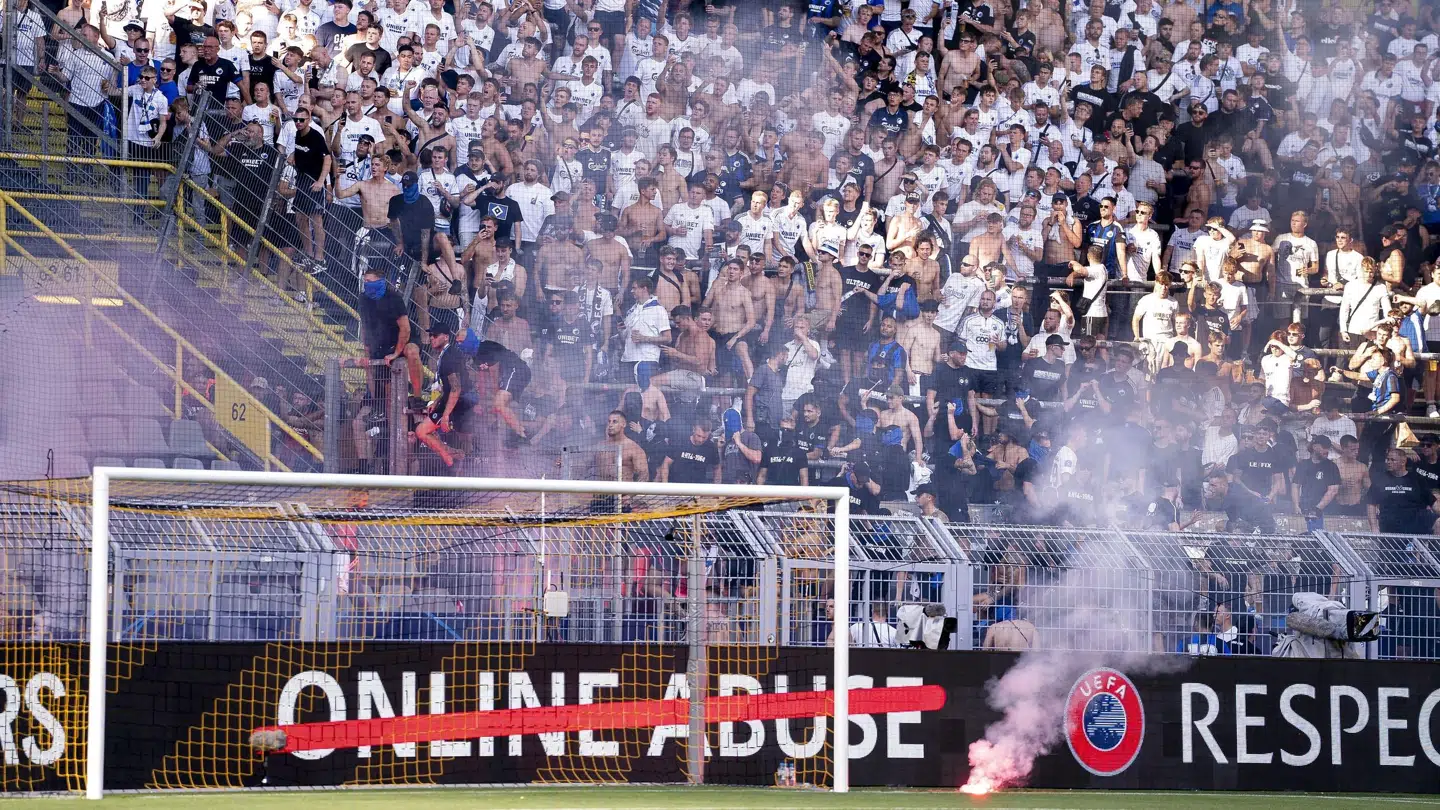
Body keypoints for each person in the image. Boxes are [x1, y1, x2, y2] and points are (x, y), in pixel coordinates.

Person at [358, 265, 422, 401]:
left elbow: (405, 329)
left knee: (412, 352)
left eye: (370, 281)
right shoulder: (363, 299)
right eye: (365, 282)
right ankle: (377, 406)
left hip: (403, 340)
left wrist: (396, 353)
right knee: (387, 391)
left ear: (380, 281)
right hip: (382, 342)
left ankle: (417, 397)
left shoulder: (394, 298)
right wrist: (367, 346)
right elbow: (365, 324)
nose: (366, 285)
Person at [414, 322, 472, 468]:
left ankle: (450, 460)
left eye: (435, 335)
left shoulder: (449, 356)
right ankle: (453, 457)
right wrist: (437, 402)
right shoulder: (446, 354)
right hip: (452, 399)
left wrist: (445, 415)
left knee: (422, 431)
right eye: (430, 335)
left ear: (446, 337)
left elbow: (456, 388)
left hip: (460, 401)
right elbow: (449, 387)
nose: (431, 338)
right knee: (425, 431)